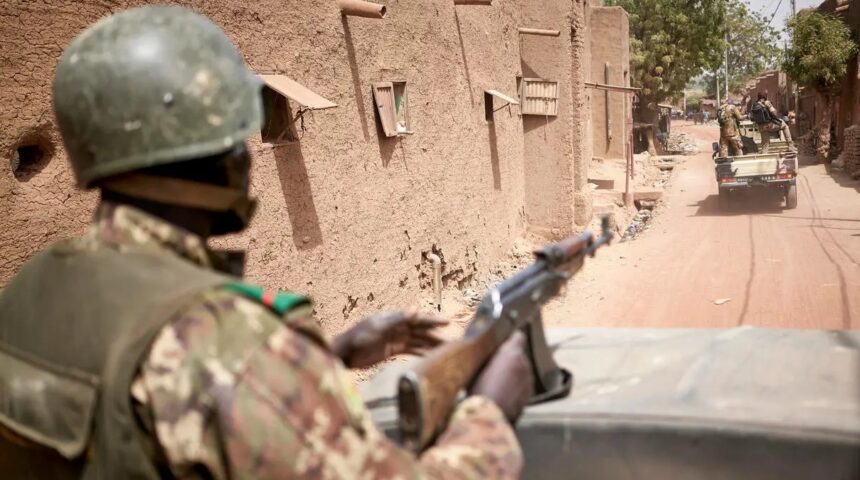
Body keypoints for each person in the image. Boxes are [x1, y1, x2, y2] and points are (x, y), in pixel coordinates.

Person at [0, 6, 533, 479]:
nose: (244, 157)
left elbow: (154, 409)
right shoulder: (224, 342)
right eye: (235, 136)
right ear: (210, 152)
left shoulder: (29, 291)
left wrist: (325, 355)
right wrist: (489, 414)